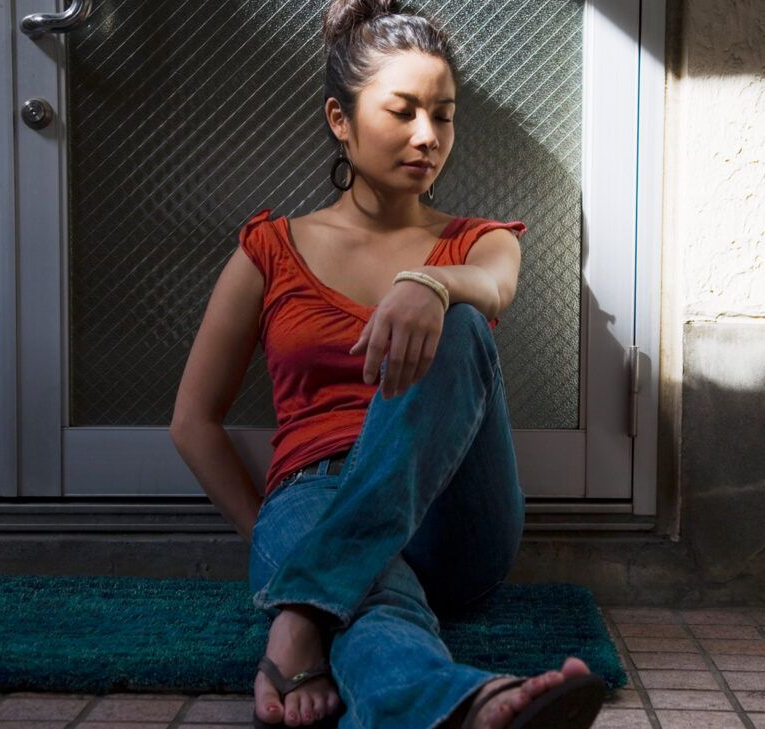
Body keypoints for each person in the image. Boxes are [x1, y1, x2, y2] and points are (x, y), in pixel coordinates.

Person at [169, 1, 606, 727]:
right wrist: (275, 544)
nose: (428, 136)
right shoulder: (269, 250)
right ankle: (468, 704)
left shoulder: (479, 242)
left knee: (462, 321)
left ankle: (302, 611)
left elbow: (493, 289)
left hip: (453, 517)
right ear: (340, 118)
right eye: (402, 112)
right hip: (316, 492)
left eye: (444, 114)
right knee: (375, 606)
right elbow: (192, 422)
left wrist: (430, 283)